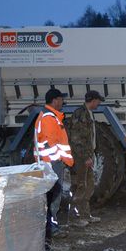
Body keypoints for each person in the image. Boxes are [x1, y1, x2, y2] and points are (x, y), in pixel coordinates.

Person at [35, 87, 74, 238]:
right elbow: (51, 144)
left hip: (49, 162)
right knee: (53, 197)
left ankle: (51, 226)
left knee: (51, 196)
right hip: (52, 163)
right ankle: (51, 228)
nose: (63, 101)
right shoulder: (49, 118)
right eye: (61, 99)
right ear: (55, 100)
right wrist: (61, 160)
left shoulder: (48, 116)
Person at [68, 90, 104, 227]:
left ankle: (85, 214)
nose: (99, 103)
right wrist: (85, 157)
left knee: (88, 186)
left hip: (87, 155)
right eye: (98, 101)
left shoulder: (88, 113)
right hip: (81, 157)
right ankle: (74, 217)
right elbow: (77, 139)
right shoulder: (80, 113)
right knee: (80, 185)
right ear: (93, 100)